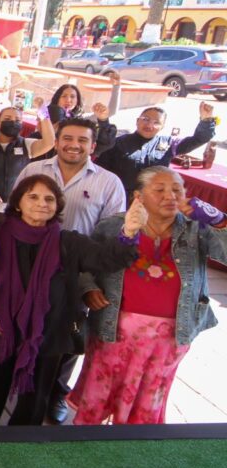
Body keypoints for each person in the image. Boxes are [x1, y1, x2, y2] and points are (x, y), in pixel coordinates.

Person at [0, 175, 142, 426]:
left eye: (49, 199)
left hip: (47, 334)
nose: (42, 203)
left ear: (57, 206)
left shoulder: (68, 242)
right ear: (18, 203)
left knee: (34, 402)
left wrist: (128, 232)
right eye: (33, 197)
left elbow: (107, 259)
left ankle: (18, 450)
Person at [71, 167, 227, 425]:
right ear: (139, 196)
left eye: (177, 190)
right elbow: (85, 264)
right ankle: (86, 443)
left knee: (151, 393)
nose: (171, 196)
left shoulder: (196, 228)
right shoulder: (113, 225)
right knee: (100, 390)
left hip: (171, 333)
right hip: (114, 328)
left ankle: (138, 447)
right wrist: (88, 288)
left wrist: (220, 221)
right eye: (160, 190)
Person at [12, 117, 126, 423]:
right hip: (26, 271)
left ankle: (55, 394)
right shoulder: (33, 170)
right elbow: (14, 216)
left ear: (93, 144)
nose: (74, 145)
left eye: (82, 140)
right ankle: (23, 392)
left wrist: (89, 284)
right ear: (57, 139)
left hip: (76, 277)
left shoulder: (108, 183)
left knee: (64, 341)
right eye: (68, 138)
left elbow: (109, 241)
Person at [97, 102, 218, 197]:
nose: (150, 125)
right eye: (146, 119)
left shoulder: (169, 144)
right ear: (137, 121)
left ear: (162, 127)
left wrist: (206, 120)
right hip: (119, 198)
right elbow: (101, 171)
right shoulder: (118, 143)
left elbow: (199, 139)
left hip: (153, 200)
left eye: (156, 123)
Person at [0, 102, 56, 205]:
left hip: (15, 206)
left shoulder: (26, 144)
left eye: (17, 120)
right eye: (7, 119)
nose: (13, 122)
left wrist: (43, 112)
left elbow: (49, 142)